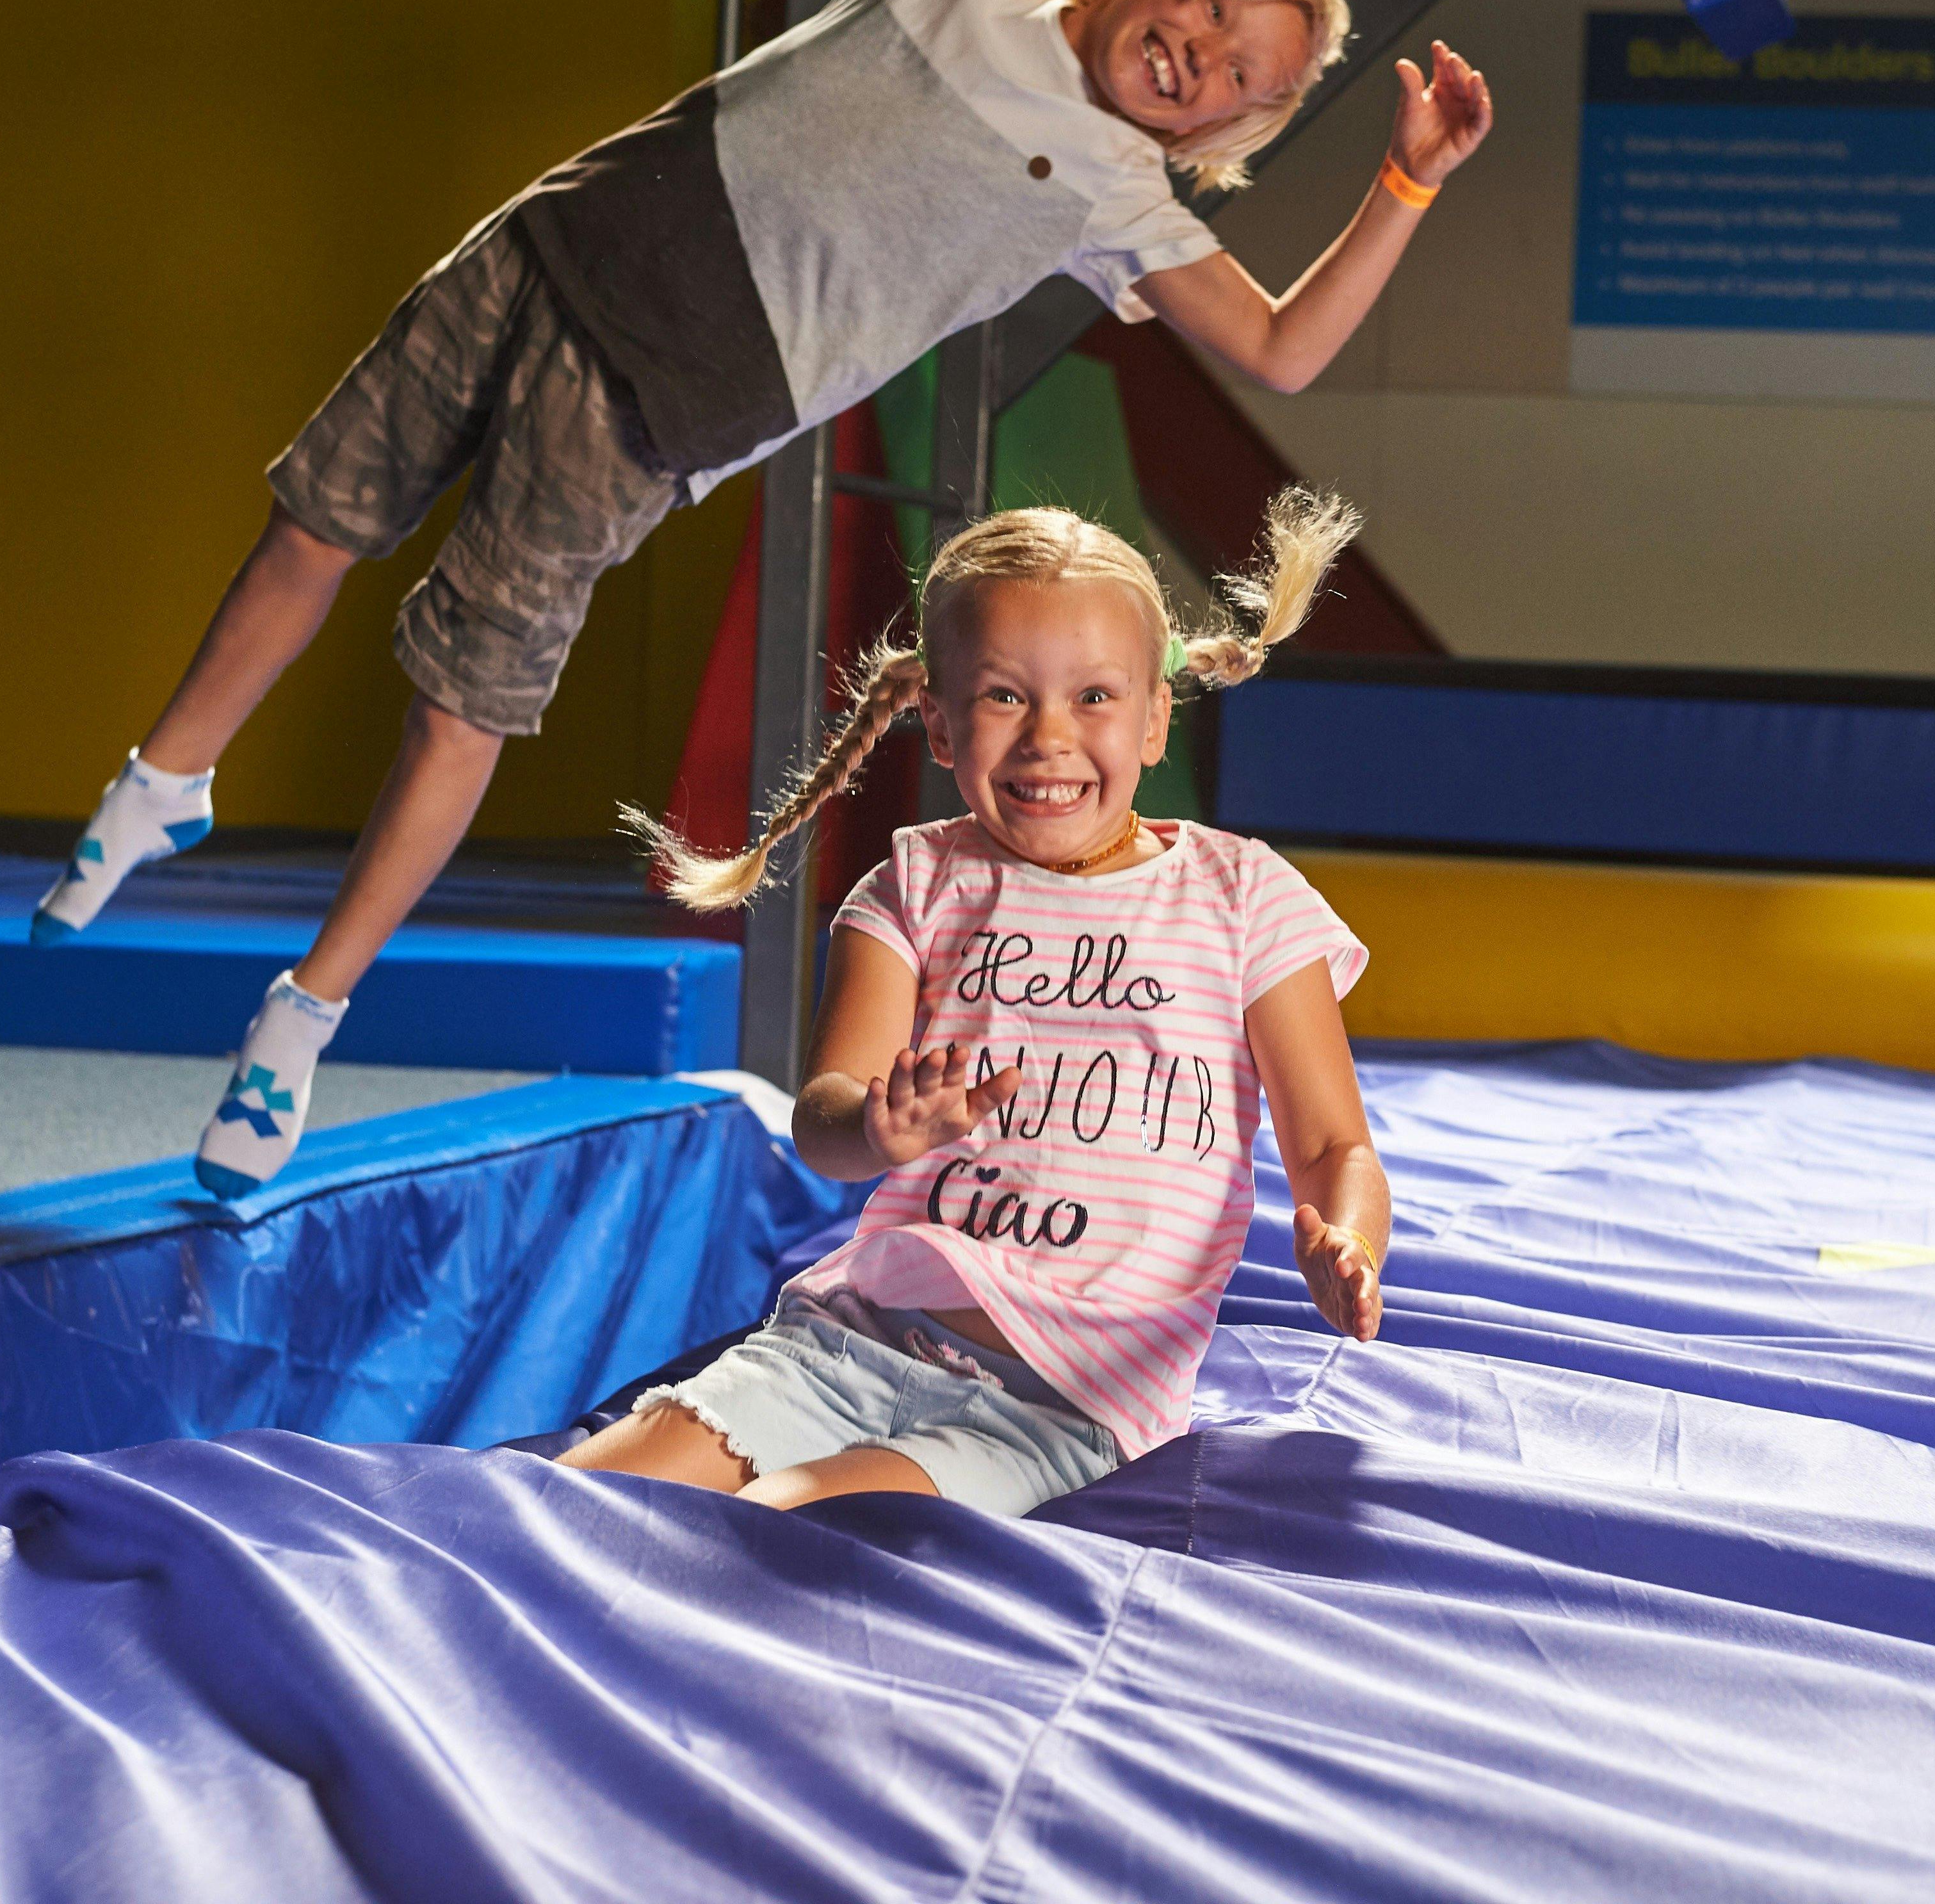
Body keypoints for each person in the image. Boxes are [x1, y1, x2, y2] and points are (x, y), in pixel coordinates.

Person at [29, 0, 1492, 1201]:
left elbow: (1282, 350)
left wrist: (1404, 189)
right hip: (550, 245)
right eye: (1211, 16)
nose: (1208, 64)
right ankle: (165, 780)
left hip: (649, 408)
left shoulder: (1118, 192)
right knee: (319, 516)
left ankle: (305, 1012)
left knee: (462, 702)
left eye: (1247, 80)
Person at [555, 492, 1388, 1513]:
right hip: (845, 1346)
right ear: (940, 726)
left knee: (787, 1524)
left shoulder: (1241, 894)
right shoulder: (914, 885)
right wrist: (875, 1126)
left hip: (1062, 1401)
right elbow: (824, 1118)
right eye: (1003, 697)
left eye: (1094, 697)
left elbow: (1332, 1148)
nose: (1049, 738)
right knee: (568, 1506)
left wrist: (1346, 1240)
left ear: (1156, 719)